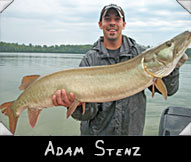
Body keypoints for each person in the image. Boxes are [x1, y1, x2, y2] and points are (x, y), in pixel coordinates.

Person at [52, 4, 186, 135]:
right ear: (100, 24)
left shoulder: (140, 54)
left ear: (124, 24)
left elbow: (169, 90)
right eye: (107, 19)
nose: (112, 23)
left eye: (117, 19)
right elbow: (87, 114)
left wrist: (174, 67)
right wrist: (71, 104)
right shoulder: (90, 60)